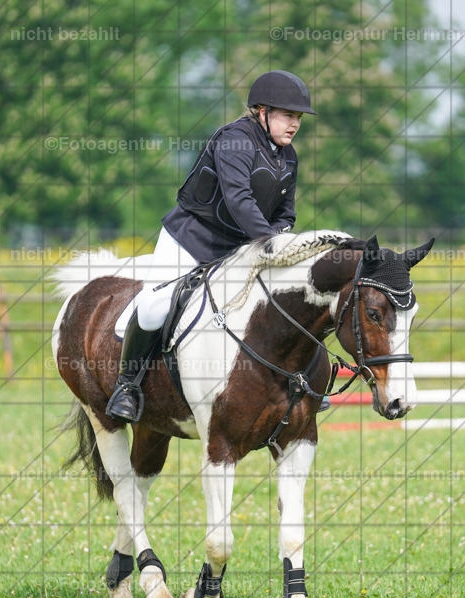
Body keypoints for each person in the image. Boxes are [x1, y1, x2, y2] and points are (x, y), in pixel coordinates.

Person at [106, 70, 316, 423]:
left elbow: (286, 213)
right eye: (287, 115)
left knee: (282, 301)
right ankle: (127, 386)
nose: (294, 124)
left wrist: (280, 239)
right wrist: (270, 245)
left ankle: (300, 382)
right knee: (157, 305)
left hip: (241, 247)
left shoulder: (287, 156)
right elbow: (239, 199)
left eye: (297, 118)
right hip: (192, 238)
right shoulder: (234, 140)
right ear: (262, 112)